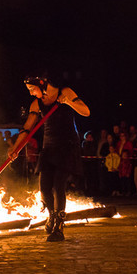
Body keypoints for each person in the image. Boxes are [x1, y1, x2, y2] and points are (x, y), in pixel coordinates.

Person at [8, 75, 90, 242]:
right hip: (49, 147)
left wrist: (68, 102)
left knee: (58, 185)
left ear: (42, 85)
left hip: (67, 146)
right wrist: (15, 148)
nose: (31, 94)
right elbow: (27, 128)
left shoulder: (65, 92)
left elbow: (86, 111)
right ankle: (51, 216)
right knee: (44, 187)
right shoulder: (36, 104)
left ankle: (59, 227)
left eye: (32, 90)